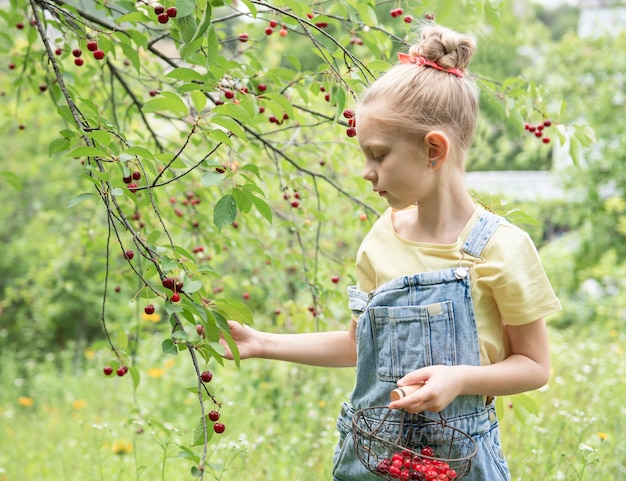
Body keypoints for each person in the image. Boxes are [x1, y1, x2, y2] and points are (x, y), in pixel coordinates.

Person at [220, 22, 561, 481]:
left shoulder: (502, 248)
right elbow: (359, 346)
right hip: (375, 457)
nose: (366, 171)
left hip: (460, 465)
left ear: (433, 150)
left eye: (378, 155)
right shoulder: (381, 238)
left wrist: (461, 379)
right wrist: (261, 343)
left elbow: (534, 366)